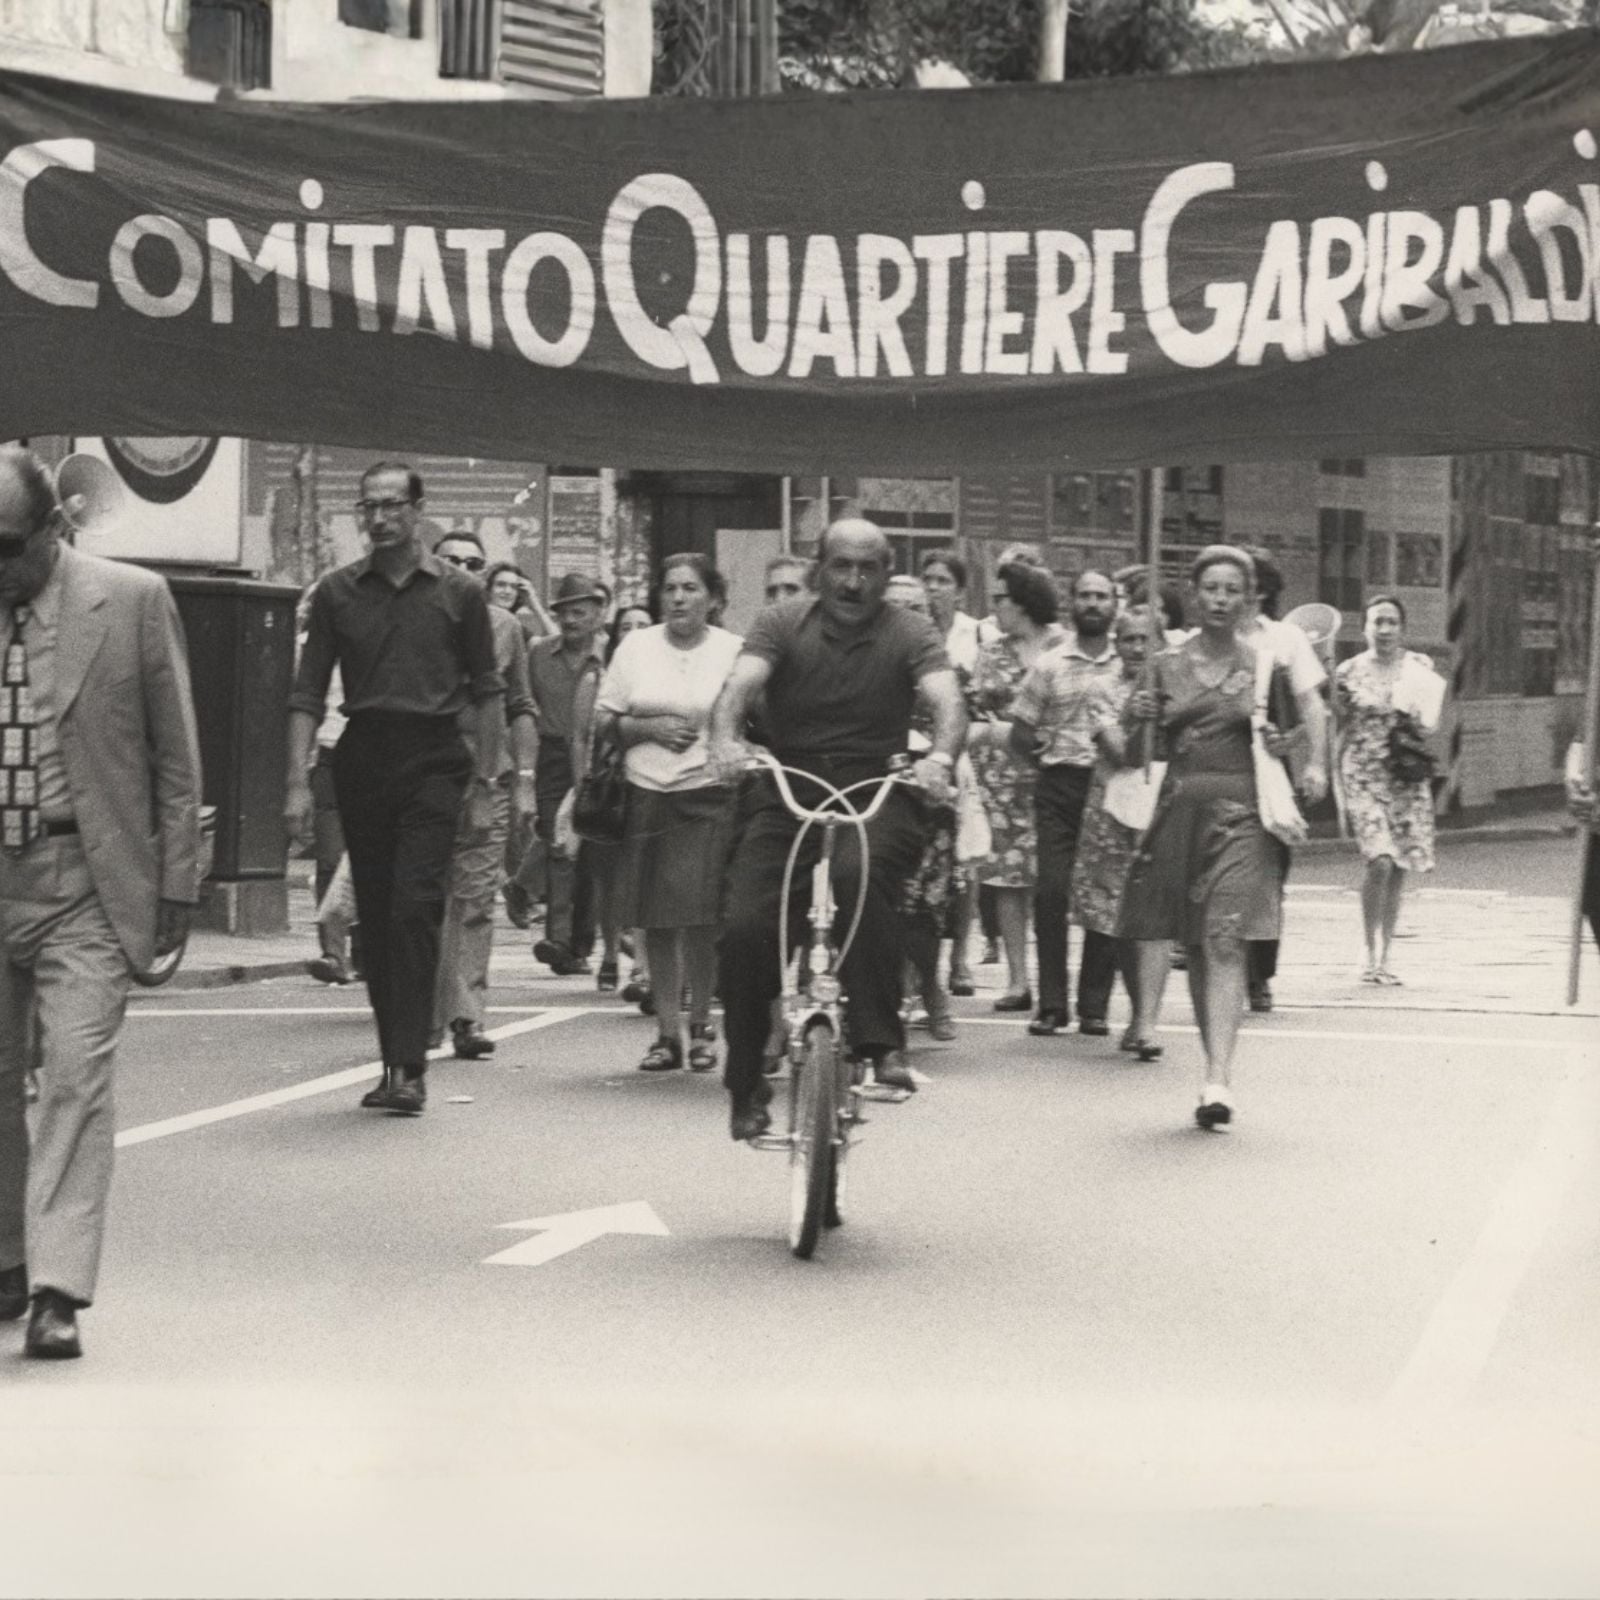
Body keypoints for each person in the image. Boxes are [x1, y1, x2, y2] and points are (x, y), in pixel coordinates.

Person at [0, 444, 203, 1359]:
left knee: (77, 1076)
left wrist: (176, 883)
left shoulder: (130, 600)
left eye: (6, 545)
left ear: (53, 528)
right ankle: (9, 1255)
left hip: (85, 875)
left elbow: (174, 755)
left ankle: (57, 1288)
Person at [708, 518, 967, 1141]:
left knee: (861, 876)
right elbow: (739, 688)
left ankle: (882, 1044)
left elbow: (947, 701)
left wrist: (939, 758)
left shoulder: (909, 629)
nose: (854, 582)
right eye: (841, 567)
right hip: (788, 780)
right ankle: (746, 1081)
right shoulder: (781, 623)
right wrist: (723, 741)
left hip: (876, 784)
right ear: (819, 570)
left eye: (868, 568)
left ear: (885, 573)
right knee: (747, 926)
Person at [286, 462, 504, 1116]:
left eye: (392, 506)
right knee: (377, 919)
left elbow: (490, 692)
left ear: (416, 510)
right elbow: (304, 693)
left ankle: (411, 1066)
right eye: (369, 507)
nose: (379, 518)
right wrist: (296, 783)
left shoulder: (460, 594)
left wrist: (489, 784)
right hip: (364, 758)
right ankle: (393, 1059)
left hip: (436, 758)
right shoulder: (336, 594)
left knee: (415, 905)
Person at [1119, 546, 1299, 1131]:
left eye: (1232, 590)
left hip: (1242, 815)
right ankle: (1210, 1061)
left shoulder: (1266, 666)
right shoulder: (1162, 665)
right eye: (1211, 589)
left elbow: (1289, 738)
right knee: (1195, 946)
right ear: (1194, 596)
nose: (1221, 599)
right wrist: (1137, 716)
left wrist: (1281, 744)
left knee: (1224, 940)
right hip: (1179, 813)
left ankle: (1218, 1076)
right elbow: (1131, 755)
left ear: (1249, 600)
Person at [597, 556, 743, 1072]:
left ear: (713, 598)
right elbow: (604, 718)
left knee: (702, 916)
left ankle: (702, 1027)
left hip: (706, 790)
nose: (678, 598)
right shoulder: (636, 646)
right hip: (646, 790)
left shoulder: (732, 651)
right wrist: (648, 729)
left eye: (690, 588)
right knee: (655, 918)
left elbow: (747, 719)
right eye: (670, 588)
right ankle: (666, 1034)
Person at [430, 533, 538, 1056]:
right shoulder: (412, 620)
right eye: (451, 560)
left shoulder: (505, 627)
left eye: (474, 563)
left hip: (486, 779)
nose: (464, 569)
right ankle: (422, 1012)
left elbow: (520, 704)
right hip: (423, 779)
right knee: (422, 900)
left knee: (473, 899)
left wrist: (523, 782)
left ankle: (466, 1018)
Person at [1008, 570, 1124, 1037]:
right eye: (1085, 595)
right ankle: (1052, 1004)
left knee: (1103, 898)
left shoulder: (1131, 665)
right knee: (1052, 893)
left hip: (1111, 789)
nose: (1093, 603)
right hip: (1059, 786)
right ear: (1071, 603)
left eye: (1102, 596)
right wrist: (1043, 764)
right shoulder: (1050, 665)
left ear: (1114, 605)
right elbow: (1020, 733)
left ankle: (1094, 1006)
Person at [1333, 595, 1445, 984]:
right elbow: (1339, 730)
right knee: (1379, 859)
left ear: (1402, 628)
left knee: (1398, 866)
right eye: (1377, 622)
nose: (1384, 630)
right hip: (1362, 774)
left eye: (1392, 622)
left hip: (1404, 775)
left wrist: (1417, 715)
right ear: (1364, 627)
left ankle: (1385, 953)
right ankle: (1367, 947)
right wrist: (1336, 791)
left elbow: (1429, 726)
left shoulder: (1419, 668)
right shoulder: (1347, 672)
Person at [967, 561, 1063, 1012]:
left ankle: (1055, 981)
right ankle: (1018, 979)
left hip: (1054, 774)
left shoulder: (1063, 646)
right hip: (1003, 779)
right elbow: (978, 710)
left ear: (1023, 600)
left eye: (1000, 599)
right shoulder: (992, 652)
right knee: (1007, 881)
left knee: (1052, 882)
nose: (995, 608)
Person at [1240, 546, 1330, 1012]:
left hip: (1270, 774)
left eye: (1247, 581)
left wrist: (1312, 761)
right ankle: (1223, 964)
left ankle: (1259, 974)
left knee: (1268, 875)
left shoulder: (1285, 640)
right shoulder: (1206, 638)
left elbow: (1311, 706)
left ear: (1264, 590)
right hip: (1219, 769)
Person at [1069, 606, 1159, 1050]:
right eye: (1130, 640)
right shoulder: (1100, 689)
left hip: (1159, 810)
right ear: (1116, 643)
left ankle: (1144, 1019)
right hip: (1111, 813)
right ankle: (1095, 1007)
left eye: (1147, 640)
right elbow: (1120, 751)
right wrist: (1134, 715)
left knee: (1150, 917)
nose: (1139, 649)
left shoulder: (1173, 685)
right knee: (1109, 916)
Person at [522, 573, 609, 976]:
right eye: (565, 612)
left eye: (580, 611)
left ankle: (580, 945)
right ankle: (558, 939)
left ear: (597, 614)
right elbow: (522, 707)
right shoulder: (539, 653)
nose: (572, 620)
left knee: (590, 852)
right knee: (558, 844)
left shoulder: (612, 657)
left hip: (600, 756)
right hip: (553, 756)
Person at [921, 549, 983, 993]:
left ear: (959, 590)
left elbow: (981, 703)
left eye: (944, 580)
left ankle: (960, 957)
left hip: (962, 756)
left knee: (963, 866)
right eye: (929, 579)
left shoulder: (976, 635)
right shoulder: (910, 630)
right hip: (916, 754)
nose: (934, 588)